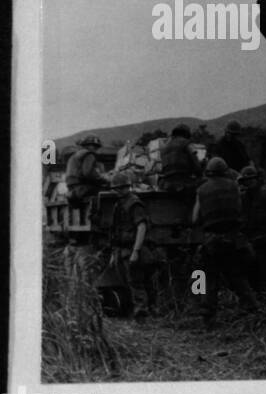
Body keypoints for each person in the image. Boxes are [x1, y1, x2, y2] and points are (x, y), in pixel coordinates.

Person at [192, 157, 258, 327]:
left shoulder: (202, 190)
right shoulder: (234, 187)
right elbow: (240, 210)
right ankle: (252, 309)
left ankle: (208, 317)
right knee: (237, 275)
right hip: (234, 239)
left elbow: (195, 218)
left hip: (212, 241)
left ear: (208, 172)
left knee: (210, 279)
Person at [107, 170, 158, 317]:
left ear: (125, 187)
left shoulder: (134, 203)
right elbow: (116, 230)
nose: (118, 191)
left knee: (136, 281)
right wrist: (114, 253)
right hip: (123, 249)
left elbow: (141, 227)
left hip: (133, 249)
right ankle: (146, 310)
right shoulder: (120, 204)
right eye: (117, 188)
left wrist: (136, 251)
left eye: (120, 188)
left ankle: (142, 312)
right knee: (132, 281)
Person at [238, 165, 266, 293]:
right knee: (251, 273)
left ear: (257, 179)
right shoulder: (243, 197)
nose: (249, 182)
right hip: (249, 241)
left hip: (264, 240)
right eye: (246, 180)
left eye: (251, 179)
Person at [64, 135, 109, 206]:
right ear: (87, 146)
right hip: (82, 189)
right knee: (110, 193)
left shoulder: (74, 156)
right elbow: (88, 173)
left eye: (97, 147)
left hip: (73, 191)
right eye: (95, 146)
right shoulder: (89, 155)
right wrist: (104, 179)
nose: (96, 149)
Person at [159, 124, 202, 192]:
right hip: (183, 183)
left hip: (167, 184)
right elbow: (196, 165)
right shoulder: (187, 143)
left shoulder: (164, 147)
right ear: (186, 134)